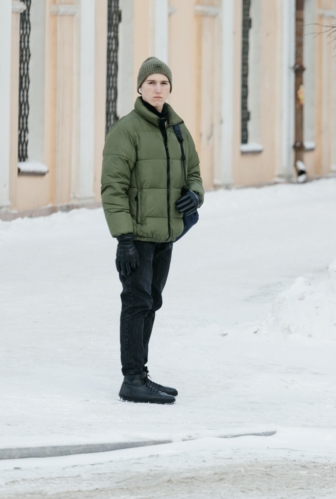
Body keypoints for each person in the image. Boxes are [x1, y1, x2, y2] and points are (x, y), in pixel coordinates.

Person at [101, 57, 204, 404]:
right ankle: (132, 379)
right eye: (151, 83)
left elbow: (194, 173)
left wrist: (195, 196)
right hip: (138, 236)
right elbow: (112, 188)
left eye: (163, 83)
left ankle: (141, 375)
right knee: (136, 301)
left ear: (169, 87)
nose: (158, 89)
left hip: (167, 235)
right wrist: (124, 239)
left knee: (152, 301)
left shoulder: (177, 128)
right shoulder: (126, 130)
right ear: (140, 88)